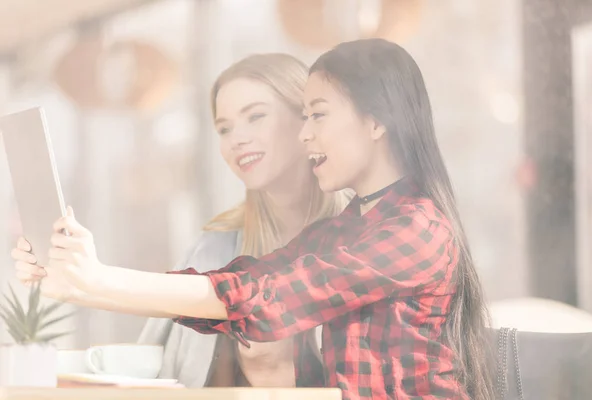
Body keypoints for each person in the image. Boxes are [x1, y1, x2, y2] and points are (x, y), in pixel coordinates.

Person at [13, 39, 494, 399]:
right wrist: (81, 279)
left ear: (376, 120)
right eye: (303, 117)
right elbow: (248, 282)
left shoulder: (417, 229)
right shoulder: (346, 228)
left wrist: (95, 281)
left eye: (317, 116)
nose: (306, 136)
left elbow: (267, 296)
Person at [12, 53, 349, 388]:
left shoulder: (361, 238)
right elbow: (157, 359)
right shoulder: (215, 248)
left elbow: (253, 297)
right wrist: (69, 276)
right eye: (224, 128)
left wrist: (92, 279)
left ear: (307, 121)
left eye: (256, 116)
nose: (237, 139)